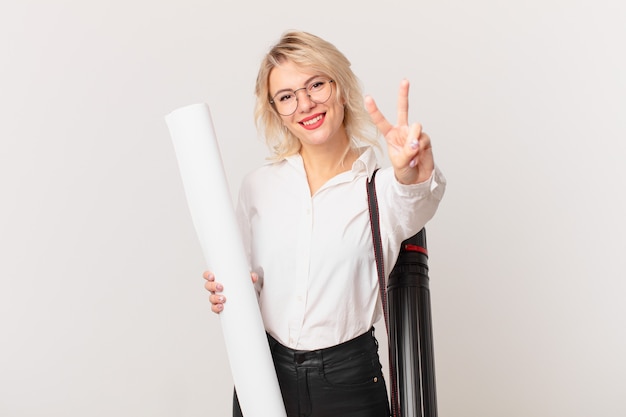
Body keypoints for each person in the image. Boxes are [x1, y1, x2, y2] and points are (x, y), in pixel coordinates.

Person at [202, 30, 446, 417]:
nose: (305, 104)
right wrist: (228, 291)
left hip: (348, 383)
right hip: (264, 373)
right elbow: (249, 281)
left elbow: (417, 196)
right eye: (286, 97)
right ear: (276, 110)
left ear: (340, 87)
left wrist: (413, 167)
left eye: (315, 84)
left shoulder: (382, 189)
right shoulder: (258, 186)